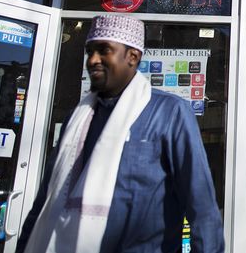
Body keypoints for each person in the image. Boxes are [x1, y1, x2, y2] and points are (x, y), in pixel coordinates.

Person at [17, 14, 225, 252]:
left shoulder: (169, 113)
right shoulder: (77, 118)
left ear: (132, 56)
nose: (93, 60)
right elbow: (45, 201)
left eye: (104, 50)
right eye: (90, 51)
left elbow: (202, 207)